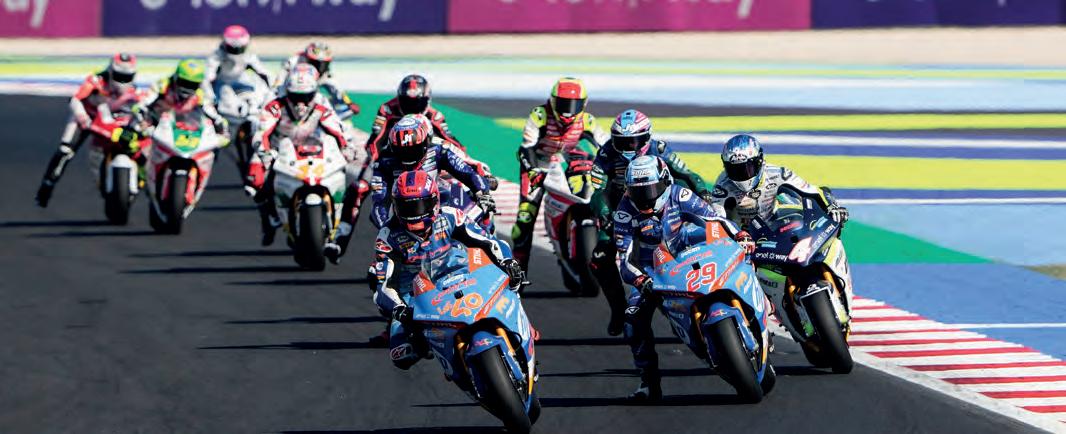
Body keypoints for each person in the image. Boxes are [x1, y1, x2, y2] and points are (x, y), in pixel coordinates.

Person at [613, 155, 754, 402]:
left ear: (665, 182)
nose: (644, 198)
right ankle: (648, 382)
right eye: (637, 191)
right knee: (632, 319)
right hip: (653, 272)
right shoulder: (624, 211)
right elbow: (624, 259)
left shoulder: (680, 194)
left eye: (650, 190)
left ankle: (759, 311)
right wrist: (641, 281)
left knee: (744, 257)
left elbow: (715, 219)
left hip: (691, 252)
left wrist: (739, 234)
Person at [373, 170, 525, 369]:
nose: (414, 213)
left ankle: (520, 331)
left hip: (462, 275)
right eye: (406, 207)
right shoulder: (387, 236)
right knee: (400, 354)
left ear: (434, 202)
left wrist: (507, 262)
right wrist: (399, 310)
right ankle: (447, 358)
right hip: (416, 296)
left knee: (510, 280)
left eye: (419, 206)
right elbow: (383, 286)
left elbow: (486, 241)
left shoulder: (451, 216)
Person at [588, 109, 714, 336]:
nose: (629, 147)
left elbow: (687, 174)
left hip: (662, 208)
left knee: (687, 241)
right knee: (600, 258)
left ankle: (689, 300)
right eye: (623, 142)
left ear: (647, 137)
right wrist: (606, 214)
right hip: (622, 212)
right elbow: (597, 190)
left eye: (634, 141)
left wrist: (703, 193)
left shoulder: (660, 149)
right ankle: (618, 309)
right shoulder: (606, 153)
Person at [246, 64, 350, 259]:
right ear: (287, 92)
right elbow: (261, 133)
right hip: (277, 149)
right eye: (296, 96)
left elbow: (337, 128)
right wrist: (264, 153)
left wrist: (346, 147)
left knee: (341, 175)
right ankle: (269, 218)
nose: (301, 103)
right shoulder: (275, 106)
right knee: (255, 178)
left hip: (313, 147)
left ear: (314, 92)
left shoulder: (321, 104)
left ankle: (337, 223)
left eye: (306, 96)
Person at [512, 77, 609, 272]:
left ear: (584, 104)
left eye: (573, 105)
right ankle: (518, 271)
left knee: (596, 196)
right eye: (563, 104)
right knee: (525, 219)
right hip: (537, 166)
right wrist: (533, 171)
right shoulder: (540, 115)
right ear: (553, 101)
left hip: (565, 164)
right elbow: (525, 149)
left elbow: (606, 146)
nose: (568, 111)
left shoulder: (587, 121)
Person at [35, 53, 141, 207]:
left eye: (127, 77)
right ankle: (47, 185)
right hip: (86, 117)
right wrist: (82, 117)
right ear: (110, 71)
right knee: (65, 150)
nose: (123, 81)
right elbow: (75, 99)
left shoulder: (135, 90)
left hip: (110, 121)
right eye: (119, 76)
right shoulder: (96, 80)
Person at [369, 114, 494, 231]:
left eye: (414, 150)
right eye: (402, 151)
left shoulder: (438, 150)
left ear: (425, 144)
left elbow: (467, 172)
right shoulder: (383, 162)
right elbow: (379, 202)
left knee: (480, 214)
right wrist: (386, 228)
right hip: (404, 214)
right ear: (392, 148)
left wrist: (483, 193)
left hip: (437, 201)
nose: (408, 156)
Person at [708, 134, 849, 227]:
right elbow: (717, 219)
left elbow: (813, 191)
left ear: (759, 161)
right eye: (734, 170)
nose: (741, 175)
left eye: (747, 169)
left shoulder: (778, 173)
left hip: (776, 228)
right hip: (742, 237)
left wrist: (832, 206)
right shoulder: (723, 184)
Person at [275, 41, 360, 116]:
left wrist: (349, 102)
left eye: (324, 64)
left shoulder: (324, 73)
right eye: (316, 63)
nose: (320, 67)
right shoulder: (293, 62)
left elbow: (336, 89)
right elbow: (279, 82)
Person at [203, 25, 272, 104]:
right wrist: (211, 98)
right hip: (220, 86)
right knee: (227, 98)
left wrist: (272, 91)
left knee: (255, 97)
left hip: (239, 82)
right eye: (233, 49)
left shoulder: (248, 55)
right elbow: (207, 80)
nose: (236, 51)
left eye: (240, 49)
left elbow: (264, 73)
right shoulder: (216, 57)